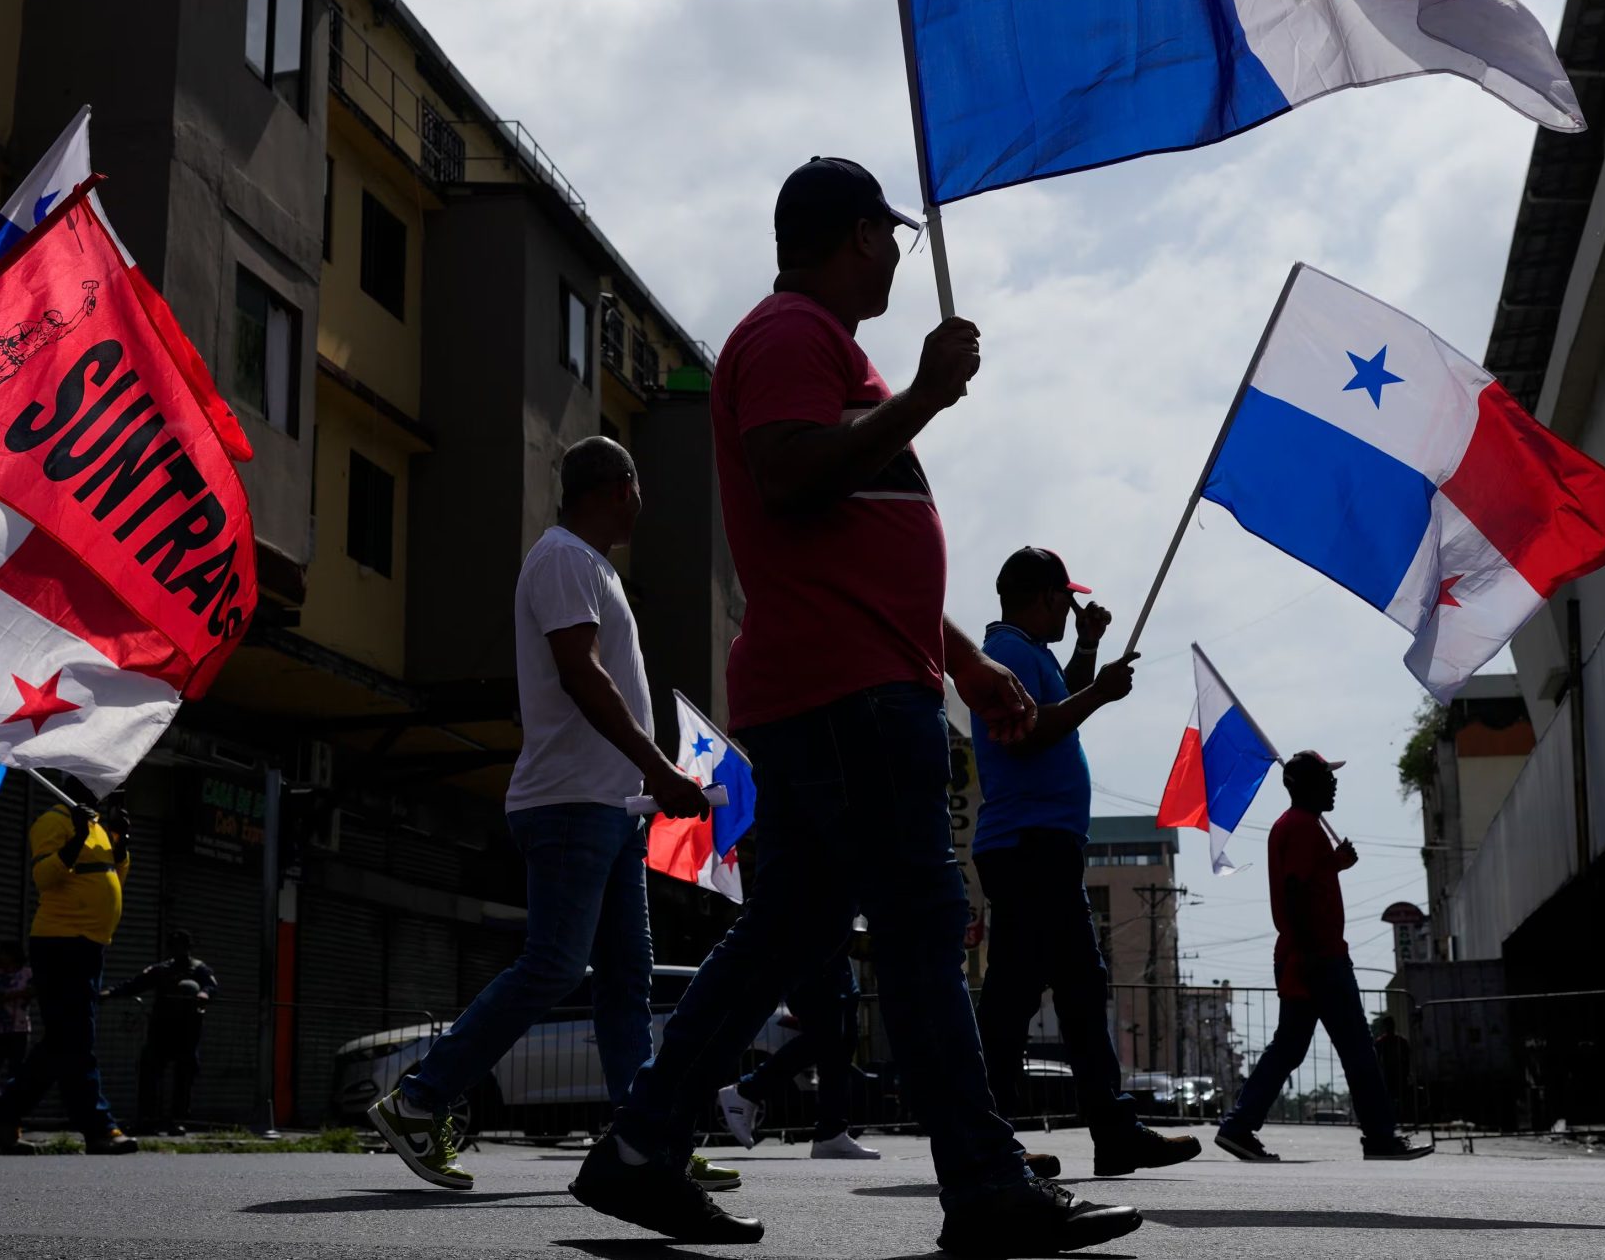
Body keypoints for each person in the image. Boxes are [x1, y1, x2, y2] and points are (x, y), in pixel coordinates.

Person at [571, 158, 1140, 1254]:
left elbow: (859, 541)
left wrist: (965, 662)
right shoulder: (792, 332)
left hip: (842, 682)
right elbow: (790, 475)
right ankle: (982, 1182)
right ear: (852, 236)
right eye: (889, 233)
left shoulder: (821, 345)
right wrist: (924, 396)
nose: (894, 253)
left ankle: (640, 1147)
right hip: (847, 696)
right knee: (923, 923)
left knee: (783, 932)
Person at [369, 437, 721, 1193]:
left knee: (626, 979)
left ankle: (643, 1137)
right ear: (620, 487)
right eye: (639, 488)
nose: (643, 503)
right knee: (556, 966)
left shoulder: (592, 567)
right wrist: (661, 769)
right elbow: (579, 671)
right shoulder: (563, 558)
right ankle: (420, 1099)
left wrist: (648, 780)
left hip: (610, 808)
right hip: (570, 804)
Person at [969, 545, 1195, 1177]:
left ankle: (999, 1138)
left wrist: (1090, 657)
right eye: (1068, 602)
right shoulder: (1009, 652)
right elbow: (1035, 727)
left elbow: (1053, 707)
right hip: (1031, 845)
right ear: (1045, 598)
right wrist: (1099, 693)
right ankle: (1097, 1131)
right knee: (1068, 987)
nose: (1073, 612)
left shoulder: (1023, 652)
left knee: (1031, 993)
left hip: (1033, 845)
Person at [1215, 752, 1427, 1164]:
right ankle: (1381, 1137)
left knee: (1290, 1048)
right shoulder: (1302, 827)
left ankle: (1239, 1126)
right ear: (1305, 785)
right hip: (1319, 958)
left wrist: (1333, 864)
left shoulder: (1295, 827)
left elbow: (1305, 882)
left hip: (1305, 956)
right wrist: (1312, 953)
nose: (1334, 784)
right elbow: (1296, 892)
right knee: (1357, 1048)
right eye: (1327, 778)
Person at [0, 778, 139, 1155]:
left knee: (66, 1041)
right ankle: (98, 1127)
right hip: (61, 942)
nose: (107, 788)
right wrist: (76, 836)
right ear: (78, 783)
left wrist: (120, 841)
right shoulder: (54, 821)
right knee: (76, 1039)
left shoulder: (98, 824)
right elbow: (44, 878)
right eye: (100, 782)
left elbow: (115, 877)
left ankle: (3, 1114)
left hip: (89, 944)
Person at [717, 953, 878, 1158]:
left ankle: (831, 1132)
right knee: (825, 1035)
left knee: (842, 1041)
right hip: (812, 949)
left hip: (835, 950)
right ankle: (748, 1090)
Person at [108, 929, 219, 1135]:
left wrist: (204, 993)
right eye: (176, 946)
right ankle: (147, 1119)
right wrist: (109, 993)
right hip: (162, 1028)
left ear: (189, 948)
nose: (180, 950)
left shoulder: (199, 969)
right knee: (149, 1072)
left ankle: (177, 1120)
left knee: (184, 1076)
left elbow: (211, 986)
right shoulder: (161, 970)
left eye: (184, 946)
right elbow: (135, 985)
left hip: (187, 1030)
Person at [0, 942, 35, 1101]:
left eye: (4, 953)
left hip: (19, 1029)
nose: (0, 957)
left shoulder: (27, 974)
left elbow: (32, 991)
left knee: (16, 1070)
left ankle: (13, 1104)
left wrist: (7, 996)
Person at [1374, 1015, 1416, 1124]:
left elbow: (1407, 1058)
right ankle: (1396, 1119)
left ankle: (1400, 1119)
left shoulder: (1398, 1041)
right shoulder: (1392, 1041)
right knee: (1393, 1098)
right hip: (1391, 1073)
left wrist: (1407, 1072)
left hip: (1396, 1073)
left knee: (1398, 1098)